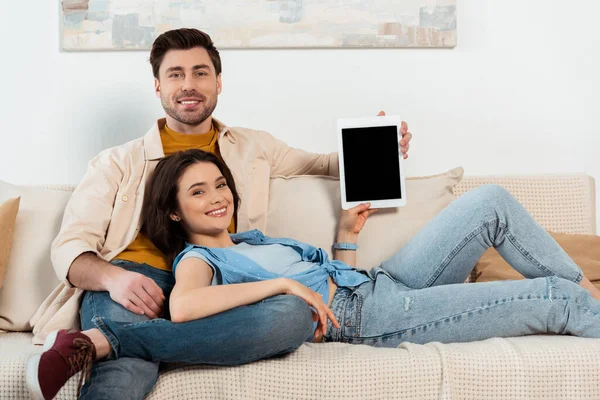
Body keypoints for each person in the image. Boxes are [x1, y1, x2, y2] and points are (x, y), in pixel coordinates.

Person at [26, 28, 413, 400]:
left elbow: (325, 164)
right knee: (130, 370)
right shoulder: (115, 162)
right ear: (158, 86)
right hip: (136, 283)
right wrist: (114, 279)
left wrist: (380, 144)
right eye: (175, 74)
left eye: (200, 72)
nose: (188, 85)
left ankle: (102, 343)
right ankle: (111, 344)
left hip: (219, 286)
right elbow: (70, 248)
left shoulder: (253, 146)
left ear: (218, 82)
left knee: (292, 315)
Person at [30, 149, 600, 399]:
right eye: (197, 191)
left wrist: (346, 238)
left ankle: (584, 293)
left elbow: (334, 277)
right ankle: (581, 303)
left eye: (221, 185)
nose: (217, 197)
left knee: (491, 201)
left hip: (379, 281)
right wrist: (282, 285)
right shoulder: (199, 259)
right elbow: (183, 309)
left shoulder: (255, 239)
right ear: (175, 211)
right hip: (368, 316)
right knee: (552, 298)